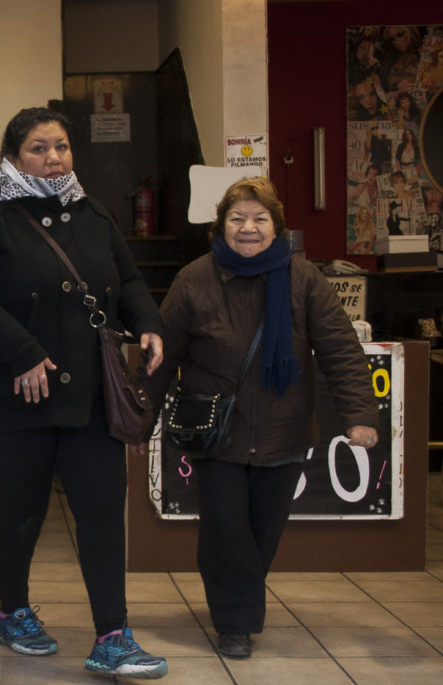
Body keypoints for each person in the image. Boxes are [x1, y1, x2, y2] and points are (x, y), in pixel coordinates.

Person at [147, 177, 379, 660]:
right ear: (221, 225)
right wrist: (137, 419)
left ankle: (238, 603)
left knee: (262, 532)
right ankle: (236, 622)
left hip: (284, 431)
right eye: (237, 219)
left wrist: (359, 414)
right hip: (217, 434)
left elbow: (340, 349)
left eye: (259, 219)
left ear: (276, 227)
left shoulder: (305, 279)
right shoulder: (194, 279)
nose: (247, 229)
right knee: (225, 531)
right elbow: (162, 358)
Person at [0, 106, 168, 679]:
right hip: (14, 396)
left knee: (103, 512)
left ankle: (113, 636)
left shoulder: (94, 213)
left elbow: (127, 280)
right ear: (12, 156)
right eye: (38, 148)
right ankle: (12, 612)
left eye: (61, 146)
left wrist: (150, 321)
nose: (53, 158)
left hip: (89, 396)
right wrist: (24, 350)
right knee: (20, 514)